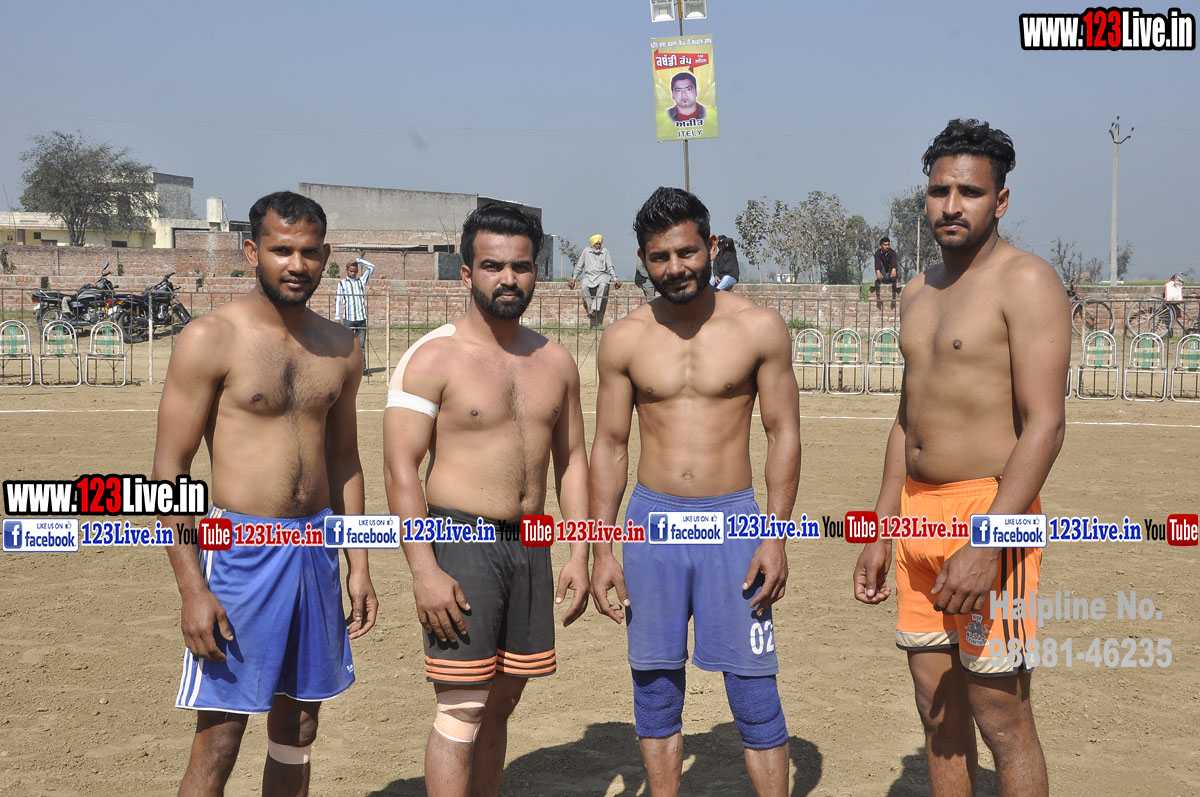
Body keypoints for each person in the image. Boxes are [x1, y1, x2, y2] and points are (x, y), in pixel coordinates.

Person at [852, 119, 1069, 797]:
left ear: (999, 201)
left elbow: (1046, 425)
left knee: (1002, 719)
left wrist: (988, 540)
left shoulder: (1026, 281)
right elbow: (905, 419)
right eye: (939, 190)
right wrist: (881, 527)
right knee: (938, 713)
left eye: (969, 192)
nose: (951, 205)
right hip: (916, 513)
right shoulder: (918, 290)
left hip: (990, 511)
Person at [154, 191, 378, 797]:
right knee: (220, 739)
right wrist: (192, 589)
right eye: (281, 251)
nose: (296, 265)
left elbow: (344, 459)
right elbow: (169, 471)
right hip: (239, 554)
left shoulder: (341, 346)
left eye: (309, 252)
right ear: (253, 252)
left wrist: (358, 563)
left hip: (315, 550)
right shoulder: (211, 338)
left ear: (325, 255)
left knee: (299, 728)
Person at [590, 187, 801, 796]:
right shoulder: (625, 338)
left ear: (710, 246)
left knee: (754, 689)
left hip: (734, 524)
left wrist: (775, 535)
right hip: (651, 525)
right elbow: (610, 445)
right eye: (660, 257)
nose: (675, 267)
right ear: (642, 259)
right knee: (655, 685)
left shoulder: (758, 327)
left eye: (686, 252)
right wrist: (602, 548)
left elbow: (783, 433)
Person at [383, 202, 591, 797]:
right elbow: (400, 468)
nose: (508, 278)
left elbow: (573, 462)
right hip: (461, 542)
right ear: (466, 272)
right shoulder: (432, 357)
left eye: (520, 266)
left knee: (501, 704)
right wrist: (424, 570)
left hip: (531, 543)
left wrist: (579, 553)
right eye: (493, 265)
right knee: (462, 707)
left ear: (536, 271)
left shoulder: (556, 361)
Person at [568, 234, 621, 327]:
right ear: (592, 244)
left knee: (604, 284)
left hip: (602, 275)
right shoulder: (586, 251)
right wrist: (573, 278)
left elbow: (610, 266)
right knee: (584, 286)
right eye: (596, 244)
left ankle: (593, 308)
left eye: (599, 244)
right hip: (588, 275)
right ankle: (591, 308)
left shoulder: (605, 251)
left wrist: (615, 279)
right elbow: (579, 266)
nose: (598, 245)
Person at [334, 256, 375, 372]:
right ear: (347, 270)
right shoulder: (342, 284)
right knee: (348, 345)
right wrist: (337, 317)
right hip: (348, 319)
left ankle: (362, 369)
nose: (353, 273)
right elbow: (339, 301)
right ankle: (348, 369)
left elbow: (372, 267)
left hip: (361, 318)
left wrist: (359, 260)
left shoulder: (361, 281)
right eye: (351, 271)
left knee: (361, 345)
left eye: (355, 271)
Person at [873, 236, 899, 309]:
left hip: (891, 273)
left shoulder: (892, 253)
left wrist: (894, 270)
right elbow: (877, 263)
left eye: (888, 245)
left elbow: (893, 262)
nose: (887, 247)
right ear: (881, 245)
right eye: (885, 245)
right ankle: (878, 281)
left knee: (895, 265)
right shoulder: (878, 253)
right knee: (879, 264)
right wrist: (878, 272)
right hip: (883, 274)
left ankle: (895, 281)